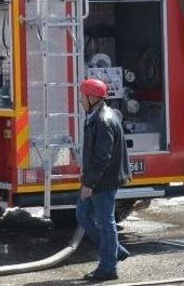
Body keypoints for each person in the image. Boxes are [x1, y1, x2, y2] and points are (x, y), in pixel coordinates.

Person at [76, 78, 132, 282]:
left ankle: (108, 267)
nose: (80, 99)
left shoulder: (103, 120)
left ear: (92, 97)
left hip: (102, 181)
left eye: (82, 96)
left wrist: (89, 184)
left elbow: (103, 157)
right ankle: (115, 250)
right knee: (83, 214)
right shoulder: (96, 115)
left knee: (105, 222)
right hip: (97, 179)